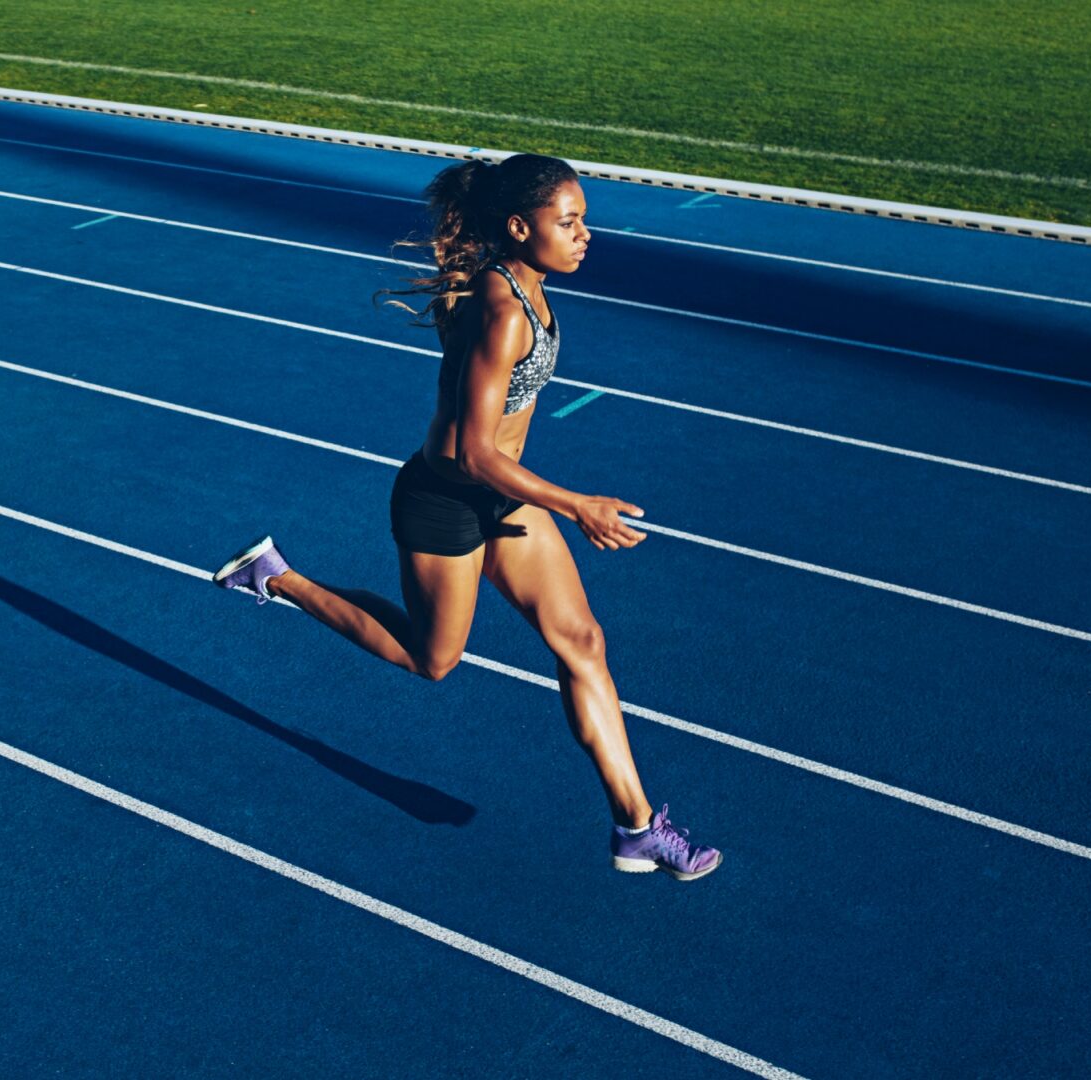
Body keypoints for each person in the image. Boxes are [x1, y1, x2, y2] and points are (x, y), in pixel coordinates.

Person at [215, 154, 720, 881]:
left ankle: (637, 825)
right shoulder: (505, 310)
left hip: (502, 497)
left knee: (582, 640)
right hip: (447, 501)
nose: (585, 235)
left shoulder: (521, 281)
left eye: (584, 220)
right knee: (434, 660)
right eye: (568, 222)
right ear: (521, 227)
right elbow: (473, 452)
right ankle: (277, 576)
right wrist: (576, 505)